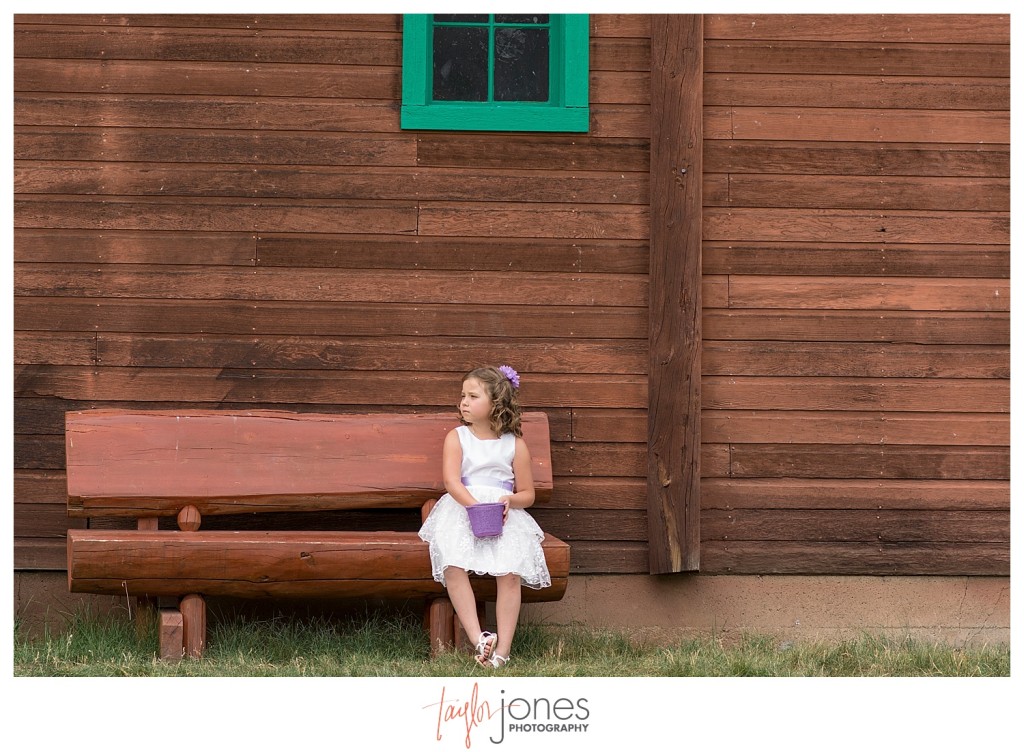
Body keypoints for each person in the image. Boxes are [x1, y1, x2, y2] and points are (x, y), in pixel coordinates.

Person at [418, 364, 551, 668]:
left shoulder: (514, 445)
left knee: (510, 573)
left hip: (503, 514)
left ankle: (502, 652)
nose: (463, 401)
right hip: (463, 507)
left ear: (495, 403)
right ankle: (480, 638)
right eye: (462, 395)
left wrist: (510, 500)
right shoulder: (457, 438)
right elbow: (452, 481)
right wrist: (474, 506)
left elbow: (528, 493)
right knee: (453, 565)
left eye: (472, 396)